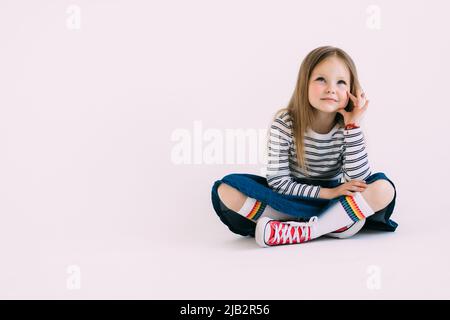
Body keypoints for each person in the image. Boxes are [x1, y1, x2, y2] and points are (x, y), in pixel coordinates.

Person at [211, 46, 398, 248]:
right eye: (321, 79)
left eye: (341, 82)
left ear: (352, 91)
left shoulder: (347, 127)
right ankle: (331, 225)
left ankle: (304, 230)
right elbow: (278, 182)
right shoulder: (285, 122)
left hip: (333, 203)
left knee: (383, 189)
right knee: (226, 188)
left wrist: (352, 126)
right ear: (305, 83)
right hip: (291, 197)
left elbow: (358, 181)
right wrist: (328, 193)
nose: (331, 89)